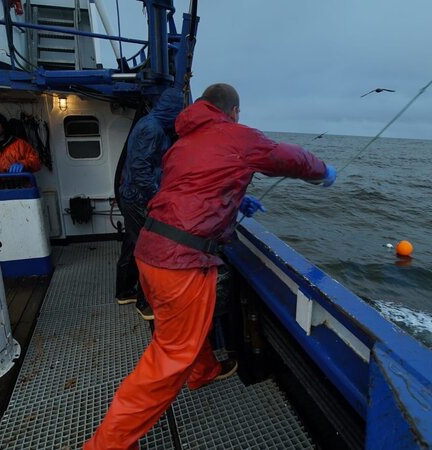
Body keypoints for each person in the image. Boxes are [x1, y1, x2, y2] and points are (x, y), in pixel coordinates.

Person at [84, 83, 337, 450]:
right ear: (233, 111)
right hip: (181, 263)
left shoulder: (181, 145)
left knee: (177, 330)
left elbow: (189, 190)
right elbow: (288, 158)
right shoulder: (238, 135)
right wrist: (323, 171)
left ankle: (202, 371)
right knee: (167, 359)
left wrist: (237, 201)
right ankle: (108, 444)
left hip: (149, 252)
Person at [116, 88, 184, 321]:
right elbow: (140, 170)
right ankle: (145, 304)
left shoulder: (153, 125)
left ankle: (124, 291)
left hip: (133, 196)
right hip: (138, 198)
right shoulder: (151, 129)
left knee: (131, 244)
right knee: (148, 250)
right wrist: (159, 197)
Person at [0, 112, 41, 178]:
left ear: (3, 126)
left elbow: (36, 162)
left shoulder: (20, 143)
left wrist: (23, 163)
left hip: (23, 185)